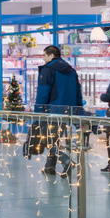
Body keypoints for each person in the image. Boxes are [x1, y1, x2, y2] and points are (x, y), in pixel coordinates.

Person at [34, 45, 84, 175]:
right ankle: (50, 167)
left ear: (51, 55)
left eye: (44, 55)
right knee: (54, 139)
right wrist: (78, 109)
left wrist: (38, 111)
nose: (43, 59)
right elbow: (78, 91)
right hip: (68, 111)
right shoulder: (71, 71)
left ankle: (66, 160)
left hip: (52, 110)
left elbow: (43, 92)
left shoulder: (48, 69)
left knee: (47, 140)